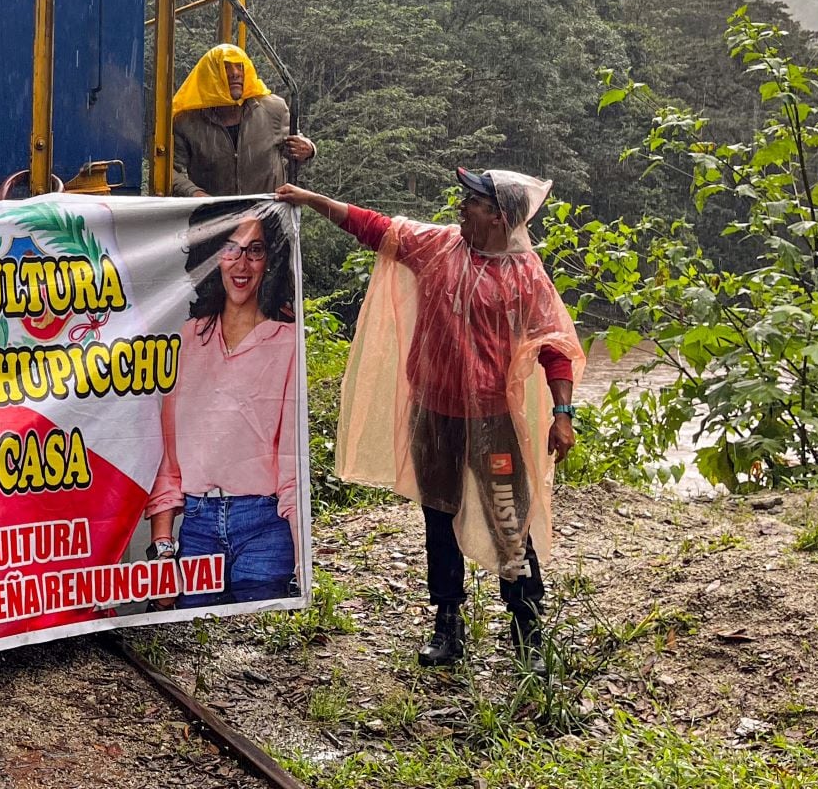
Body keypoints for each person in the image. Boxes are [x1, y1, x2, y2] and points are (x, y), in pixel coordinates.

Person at [277, 169, 584, 674]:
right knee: (439, 517)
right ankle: (448, 622)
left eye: (473, 201)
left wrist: (563, 413)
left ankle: (526, 625)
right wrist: (312, 200)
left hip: (493, 418)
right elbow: (372, 226)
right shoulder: (438, 247)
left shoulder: (526, 274)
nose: (461, 207)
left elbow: (554, 346)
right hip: (434, 412)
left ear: (499, 216)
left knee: (510, 519)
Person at [145, 201, 301, 605]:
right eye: (229, 248)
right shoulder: (187, 339)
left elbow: (291, 464)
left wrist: (304, 559)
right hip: (197, 526)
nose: (241, 263)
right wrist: (163, 547)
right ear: (212, 257)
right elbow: (169, 459)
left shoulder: (287, 343)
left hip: (266, 527)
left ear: (271, 258)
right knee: (191, 651)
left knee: (253, 646)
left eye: (255, 250)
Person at [171, 43, 315, 197]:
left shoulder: (273, 108)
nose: (235, 73)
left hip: (268, 214)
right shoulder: (188, 123)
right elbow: (171, 171)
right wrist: (195, 194)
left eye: (240, 66)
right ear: (210, 74)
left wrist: (309, 149)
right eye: (226, 67)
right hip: (214, 215)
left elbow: (295, 144)